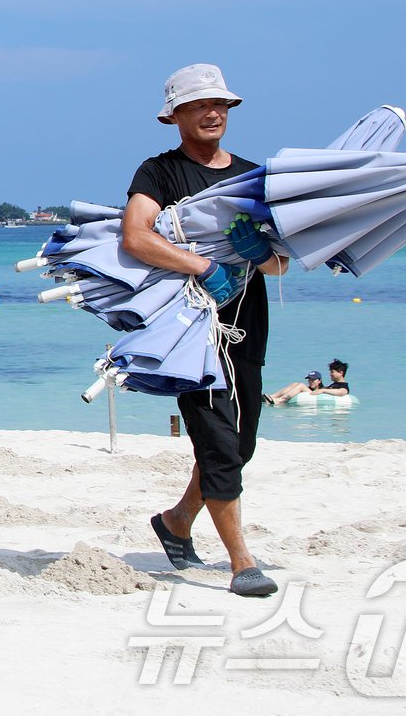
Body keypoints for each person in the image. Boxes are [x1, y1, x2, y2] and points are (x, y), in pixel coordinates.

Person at [122, 64, 289, 597]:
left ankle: (176, 522)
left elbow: (282, 265)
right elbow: (135, 238)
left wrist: (261, 254)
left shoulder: (253, 176)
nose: (213, 112)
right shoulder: (160, 172)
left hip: (247, 323)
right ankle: (242, 562)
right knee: (217, 439)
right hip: (189, 325)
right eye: (199, 105)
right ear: (175, 116)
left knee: (241, 444)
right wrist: (202, 266)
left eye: (220, 104)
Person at [265, 360, 350, 404]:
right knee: (296, 384)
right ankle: (272, 396)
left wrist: (323, 390)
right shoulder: (334, 384)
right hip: (315, 394)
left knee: (301, 385)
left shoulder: (343, 385)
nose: (330, 374)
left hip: (316, 396)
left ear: (340, 373)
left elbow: (343, 392)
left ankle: (279, 401)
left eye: (332, 372)